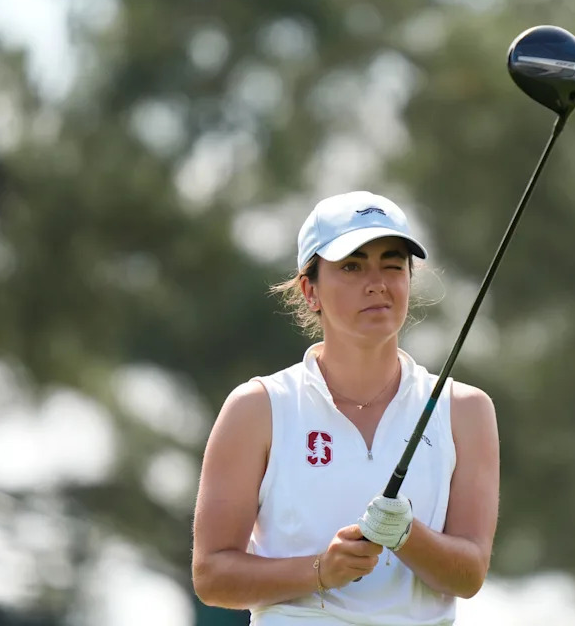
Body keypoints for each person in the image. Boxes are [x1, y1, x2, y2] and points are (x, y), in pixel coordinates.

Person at [191, 191, 500, 625]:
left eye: (392, 265)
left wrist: (408, 535)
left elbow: (469, 575)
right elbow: (212, 575)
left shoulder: (464, 409)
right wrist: (321, 571)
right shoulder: (259, 408)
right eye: (352, 266)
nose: (377, 282)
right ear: (309, 290)